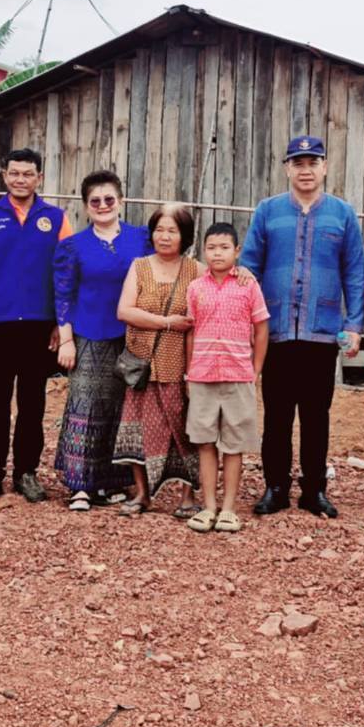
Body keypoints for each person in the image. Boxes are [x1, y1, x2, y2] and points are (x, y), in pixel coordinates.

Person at [240, 135, 364, 518]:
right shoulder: (268, 211)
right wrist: (245, 321)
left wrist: (354, 324)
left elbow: (355, 273)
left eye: (313, 162)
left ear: (325, 166)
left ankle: (314, 489)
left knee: (316, 415)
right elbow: (248, 268)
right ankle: (275, 487)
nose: (306, 169)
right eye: (298, 162)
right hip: (275, 331)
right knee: (276, 414)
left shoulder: (342, 214)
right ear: (287, 168)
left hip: (321, 333)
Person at [0, 148, 73, 505]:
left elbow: (65, 274)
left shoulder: (56, 219)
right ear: (4, 175)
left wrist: (62, 322)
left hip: (40, 327)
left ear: (39, 177)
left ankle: (26, 472)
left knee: (33, 404)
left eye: (27, 174)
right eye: (14, 173)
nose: (20, 179)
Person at [52, 171, 151, 511]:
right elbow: (63, 294)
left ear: (121, 201)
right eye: (95, 201)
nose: (103, 205)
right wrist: (66, 340)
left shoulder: (142, 239)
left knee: (121, 410)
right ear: (85, 206)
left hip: (131, 336)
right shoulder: (73, 246)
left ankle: (113, 482)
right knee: (85, 406)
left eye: (109, 199)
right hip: (89, 335)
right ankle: (80, 485)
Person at [113, 205, 202, 516]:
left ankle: (187, 497)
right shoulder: (140, 266)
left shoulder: (197, 270)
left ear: (184, 235)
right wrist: (166, 323)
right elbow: (125, 311)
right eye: (159, 230)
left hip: (181, 366)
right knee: (137, 430)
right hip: (142, 365)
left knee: (184, 432)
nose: (164, 237)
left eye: (172, 231)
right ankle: (142, 494)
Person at [183, 222, 269, 534]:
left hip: (238, 375)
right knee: (205, 442)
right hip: (203, 376)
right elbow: (191, 331)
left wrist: (255, 370)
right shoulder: (196, 288)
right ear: (203, 251)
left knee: (233, 445)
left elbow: (261, 330)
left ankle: (229, 508)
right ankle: (208, 506)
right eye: (211, 248)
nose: (217, 253)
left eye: (224, 248)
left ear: (236, 251)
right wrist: (189, 373)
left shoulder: (248, 286)